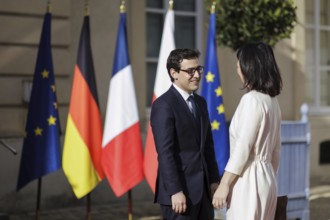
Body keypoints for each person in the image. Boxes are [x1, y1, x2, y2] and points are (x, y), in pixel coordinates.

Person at [212, 42, 282, 220]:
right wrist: (267, 176)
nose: (238, 70)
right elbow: (276, 151)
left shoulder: (252, 100)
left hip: (248, 178)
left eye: (239, 66)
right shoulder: (272, 102)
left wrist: (225, 184)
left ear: (249, 67)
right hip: (267, 178)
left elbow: (242, 148)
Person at [151, 48, 220, 220]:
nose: (196, 75)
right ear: (173, 73)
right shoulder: (163, 105)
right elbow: (165, 153)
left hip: (203, 193)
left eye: (198, 69)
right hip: (179, 196)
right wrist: (175, 190)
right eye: (190, 71)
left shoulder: (200, 103)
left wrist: (213, 180)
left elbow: (208, 146)